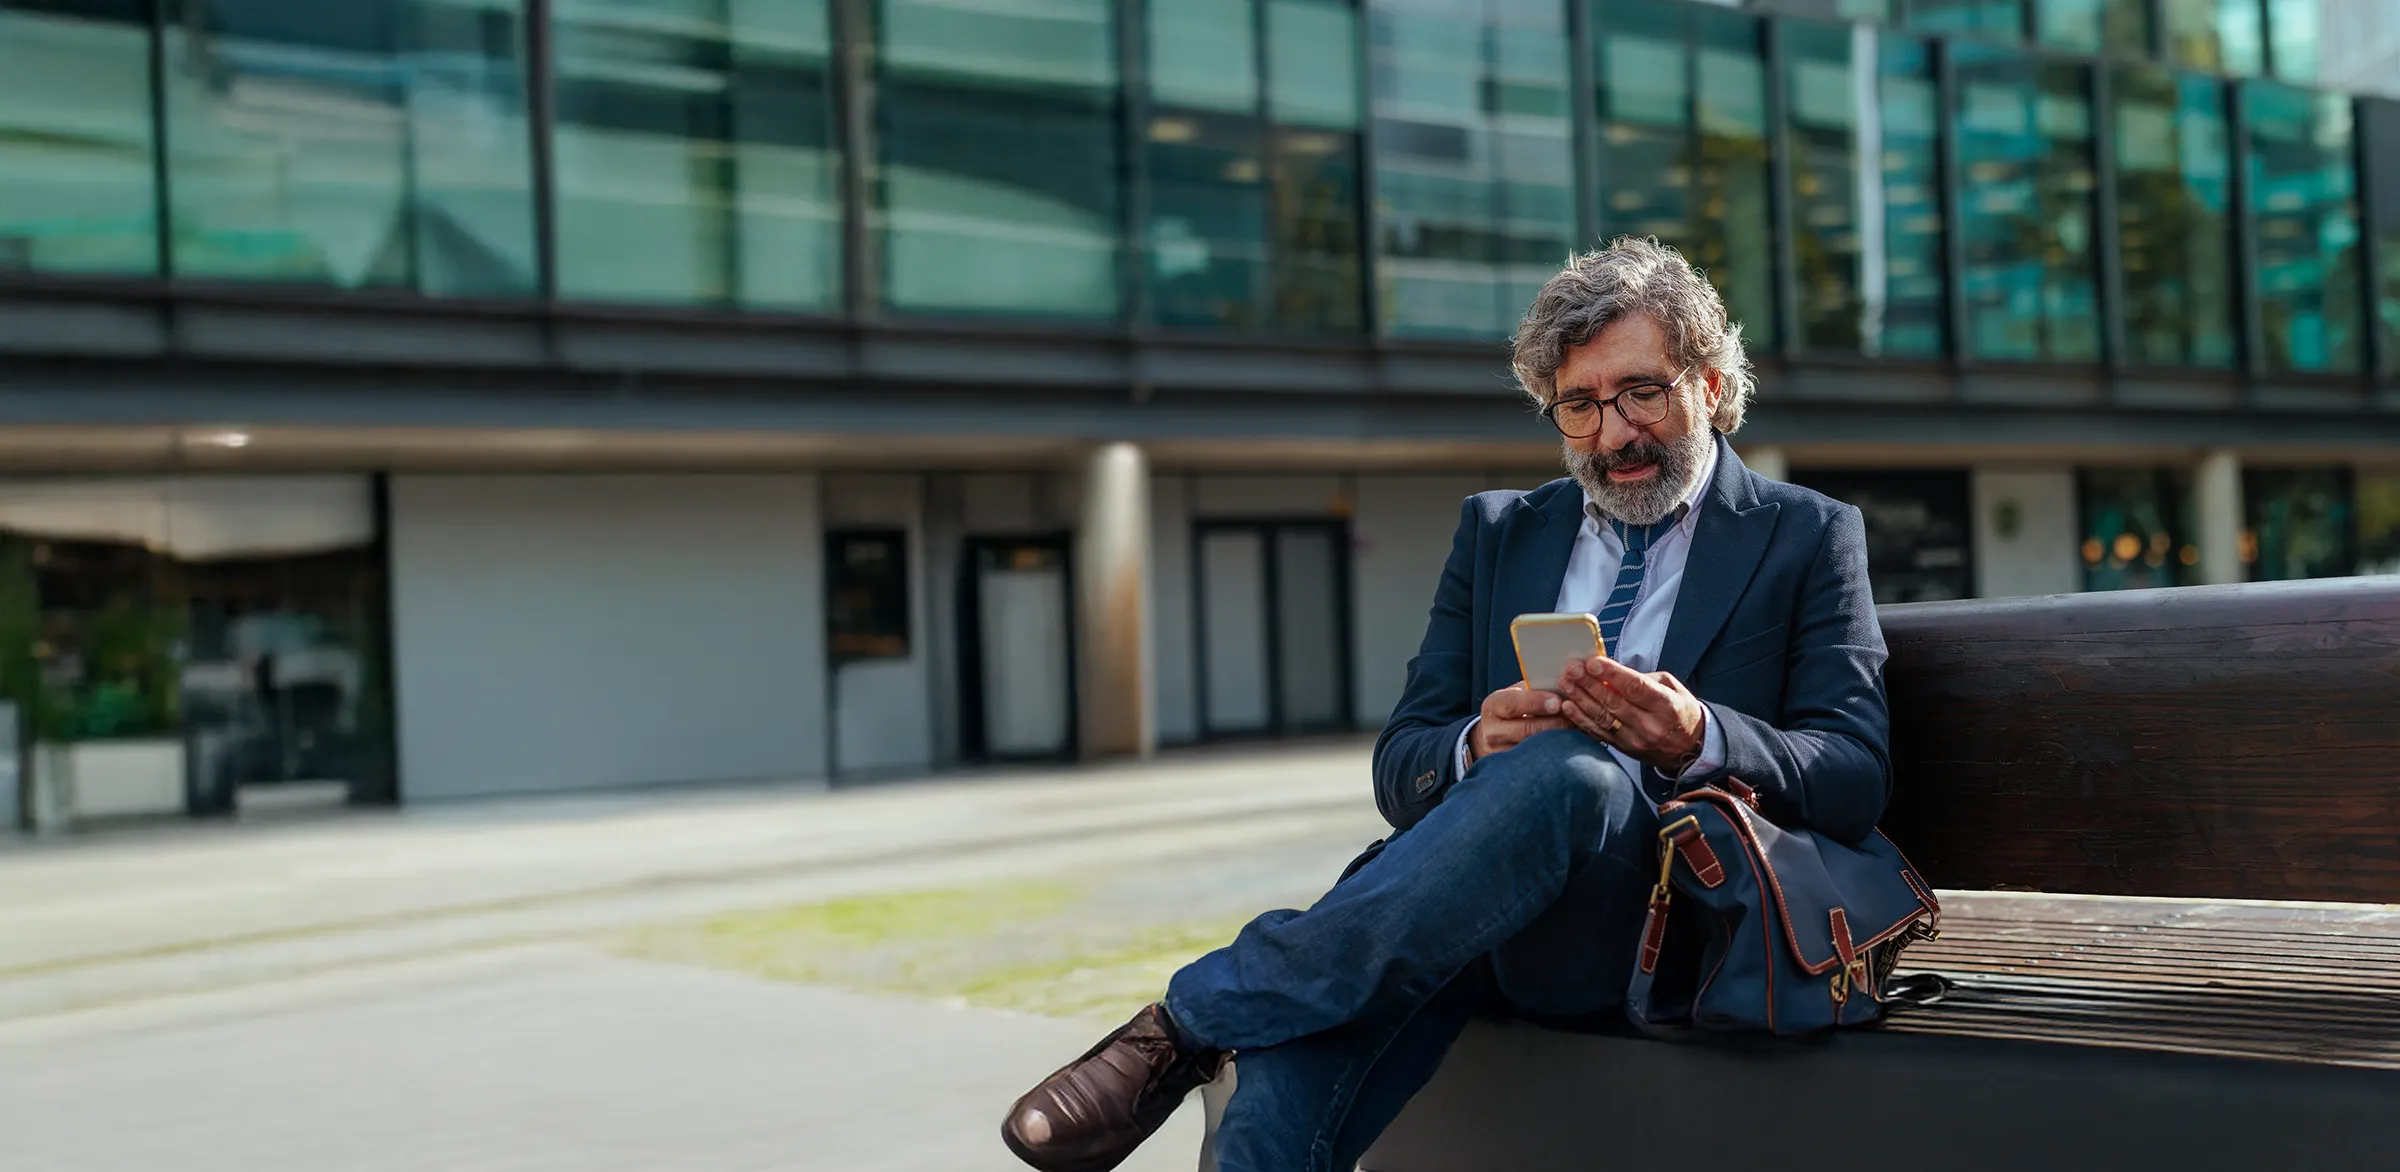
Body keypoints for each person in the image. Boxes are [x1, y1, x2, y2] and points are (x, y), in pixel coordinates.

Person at [1000, 237, 1891, 1172]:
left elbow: (1855, 776)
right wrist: (1473, 744)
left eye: (1641, 391)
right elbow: (1402, 764)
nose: (1614, 433)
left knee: (1571, 776)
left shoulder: (1807, 534)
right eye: (1579, 406)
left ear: (1708, 385)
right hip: (1465, 912)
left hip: (1664, 923)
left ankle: (1186, 1022)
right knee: (1281, 1076)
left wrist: (1698, 737)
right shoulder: (1499, 531)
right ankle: (1221, 1023)